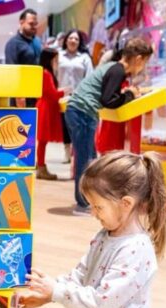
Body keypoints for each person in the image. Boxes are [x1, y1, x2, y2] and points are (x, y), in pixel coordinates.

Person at [19, 151, 166, 308]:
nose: (93, 213)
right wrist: (48, 295)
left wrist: (56, 291)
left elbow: (101, 300)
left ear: (126, 203)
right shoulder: (105, 235)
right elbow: (81, 274)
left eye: (98, 206)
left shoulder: (135, 250)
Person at [64, 37, 153, 216]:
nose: (143, 67)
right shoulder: (117, 70)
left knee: (89, 158)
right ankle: (82, 203)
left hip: (80, 112)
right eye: (145, 62)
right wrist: (128, 94)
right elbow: (108, 100)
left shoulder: (113, 68)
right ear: (138, 59)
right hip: (82, 113)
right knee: (85, 160)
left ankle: (86, 200)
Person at [57, 29, 93, 164]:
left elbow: (89, 77)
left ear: (79, 42)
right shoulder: (58, 56)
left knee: (77, 126)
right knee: (64, 125)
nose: (73, 41)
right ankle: (67, 152)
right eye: (71, 38)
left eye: (76, 39)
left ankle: (75, 154)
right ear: (66, 40)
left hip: (79, 97)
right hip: (61, 96)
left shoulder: (84, 58)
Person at [35, 48, 65, 181]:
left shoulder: (44, 72)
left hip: (46, 106)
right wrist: (64, 92)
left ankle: (40, 165)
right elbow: (52, 94)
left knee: (42, 140)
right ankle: (41, 167)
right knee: (42, 140)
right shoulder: (46, 73)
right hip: (46, 108)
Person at [5, 8, 41, 107]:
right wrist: (19, 96)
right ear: (21, 22)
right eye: (31, 24)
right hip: (21, 98)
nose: (34, 27)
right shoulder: (13, 44)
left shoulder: (37, 41)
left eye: (36, 24)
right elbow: (11, 71)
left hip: (37, 95)